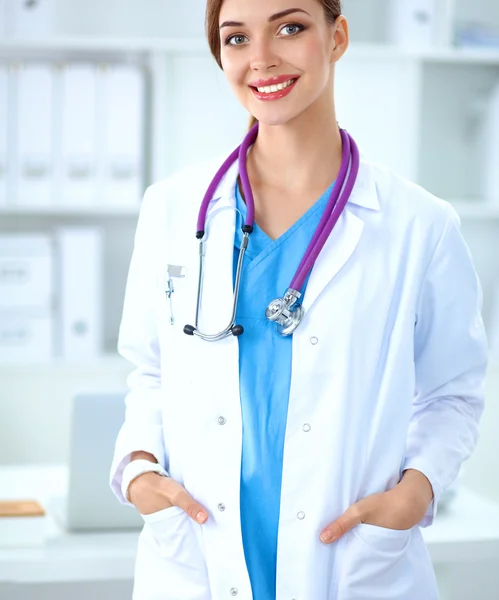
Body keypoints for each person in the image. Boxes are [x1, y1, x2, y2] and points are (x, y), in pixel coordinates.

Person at [110, 0, 488, 598]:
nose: (261, 59)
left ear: (336, 37)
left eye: (290, 27)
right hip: (199, 555)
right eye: (236, 38)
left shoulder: (421, 225)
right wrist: (137, 470)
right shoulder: (173, 208)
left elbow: (453, 392)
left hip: (352, 563)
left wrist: (418, 490)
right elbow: (149, 369)